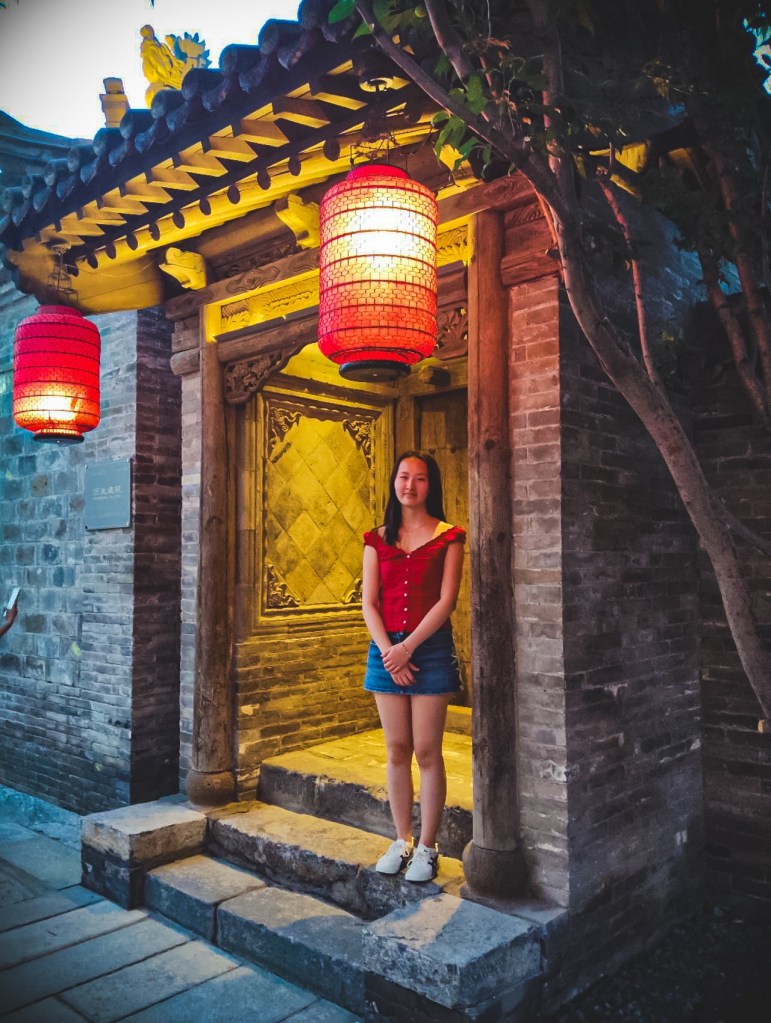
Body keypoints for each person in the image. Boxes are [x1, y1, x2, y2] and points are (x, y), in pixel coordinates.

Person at [361, 450, 465, 882]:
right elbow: (368, 603)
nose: (410, 485)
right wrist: (390, 651)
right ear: (394, 481)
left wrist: (408, 648)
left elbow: (447, 600)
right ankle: (401, 839)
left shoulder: (449, 536)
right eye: (403, 476)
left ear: (430, 485)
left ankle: (427, 847)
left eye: (419, 478)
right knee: (396, 749)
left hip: (430, 650)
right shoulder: (376, 538)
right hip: (385, 651)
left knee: (426, 751)